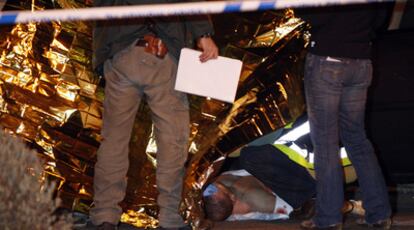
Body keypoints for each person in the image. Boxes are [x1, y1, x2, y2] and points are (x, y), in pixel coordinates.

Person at [89, 0, 218, 229]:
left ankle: (104, 216)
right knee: (172, 140)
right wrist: (203, 35)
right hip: (162, 53)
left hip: (121, 52)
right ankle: (169, 218)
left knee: (114, 141)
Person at [298, 3, 392, 230]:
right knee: (357, 139)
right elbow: (380, 20)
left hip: (328, 59)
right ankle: (379, 213)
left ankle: (329, 219)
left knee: (326, 142)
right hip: (361, 61)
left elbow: (313, 15)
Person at [203, 144, 358, 222]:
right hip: (306, 181)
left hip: (285, 167)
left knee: (247, 155)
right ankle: (344, 203)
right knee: (250, 157)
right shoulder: (255, 201)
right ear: (231, 197)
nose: (211, 186)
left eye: (210, 189)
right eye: (214, 189)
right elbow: (295, 211)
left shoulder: (215, 189)